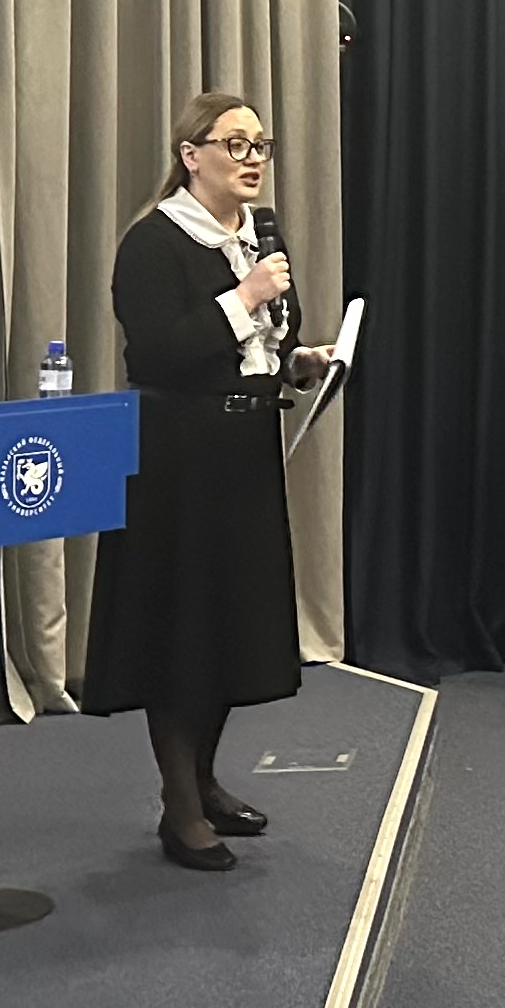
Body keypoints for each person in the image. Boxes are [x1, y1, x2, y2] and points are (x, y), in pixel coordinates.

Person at [83, 90, 331, 872]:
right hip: (175, 461)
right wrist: (245, 295)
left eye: (261, 145)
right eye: (236, 144)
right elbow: (158, 353)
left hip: (244, 453)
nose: (253, 159)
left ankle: (205, 778)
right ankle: (179, 805)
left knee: (232, 627)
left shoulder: (259, 234)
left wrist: (300, 361)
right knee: (179, 631)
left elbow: (259, 342)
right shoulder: (153, 243)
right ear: (192, 156)